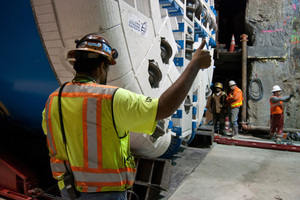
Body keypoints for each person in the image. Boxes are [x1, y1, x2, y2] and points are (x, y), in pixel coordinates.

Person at [42, 33, 211, 200]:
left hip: (68, 190)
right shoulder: (111, 99)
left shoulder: (53, 100)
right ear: (102, 67)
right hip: (105, 194)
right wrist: (194, 65)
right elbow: (163, 108)